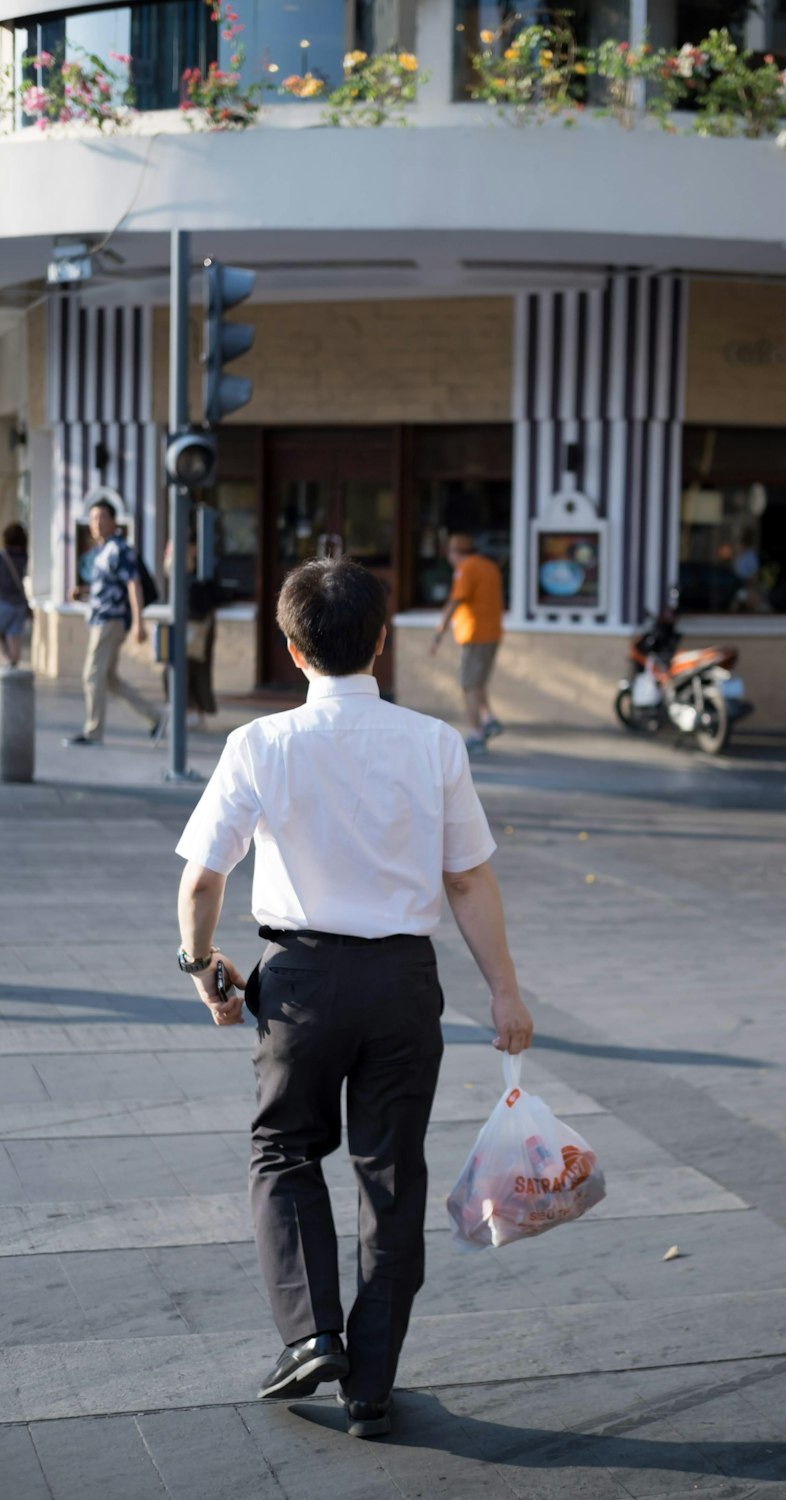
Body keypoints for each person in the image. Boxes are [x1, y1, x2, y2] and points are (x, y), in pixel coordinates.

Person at [175, 556, 532, 1439]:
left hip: (297, 984)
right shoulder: (435, 743)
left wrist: (203, 969)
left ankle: (309, 1336)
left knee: (285, 1154)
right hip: (405, 984)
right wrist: (505, 993)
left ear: (292, 650)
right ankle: (370, 1381)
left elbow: (201, 881)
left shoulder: (259, 744)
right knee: (391, 1175)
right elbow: (470, 883)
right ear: (381, 641)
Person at [64, 499, 164, 747]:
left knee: (91, 675)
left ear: (112, 521)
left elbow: (133, 584)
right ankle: (156, 717)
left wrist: (139, 621)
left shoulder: (120, 549)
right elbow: (108, 585)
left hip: (110, 621)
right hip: (99, 619)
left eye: (101, 518)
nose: (96, 523)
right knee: (109, 679)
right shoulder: (102, 550)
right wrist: (84, 591)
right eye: (93, 518)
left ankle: (93, 732)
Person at [430, 533, 505, 754]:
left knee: (468, 684)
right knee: (478, 681)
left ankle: (477, 734)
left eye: (450, 555)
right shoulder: (488, 566)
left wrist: (438, 633)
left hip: (474, 634)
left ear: (455, 553)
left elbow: (455, 601)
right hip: (492, 632)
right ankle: (489, 718)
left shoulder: (466, 568)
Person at [163, 539, 222, 730]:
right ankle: (189, 711)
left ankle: (193, 711)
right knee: (175, 669)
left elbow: (209, 597)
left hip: (197, 627)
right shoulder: (180, 572)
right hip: (184, 626)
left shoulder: (202, 570)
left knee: (192, 670)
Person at [0, 522, 30, 669]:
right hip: (19, 604)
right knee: (14, 635)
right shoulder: (24, 556)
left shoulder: (3, 556)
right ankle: (13, 664)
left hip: (4, 602)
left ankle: (7, 659)